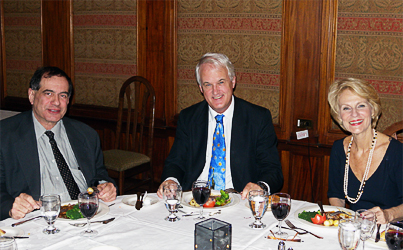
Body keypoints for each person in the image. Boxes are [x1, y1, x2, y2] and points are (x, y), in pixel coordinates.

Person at [157, 53, 283, 200]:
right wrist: (171, 180)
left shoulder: (258, 118)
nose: (215, 91)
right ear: (201, 88)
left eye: (221, 82)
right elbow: (175, 162)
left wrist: (260, 186)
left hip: (239, 199)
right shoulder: (188, 117)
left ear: (233, 81)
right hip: (195, 199)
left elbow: (273, 170)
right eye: (208, 84)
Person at [0, 67, 117, 221]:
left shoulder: (86, 134)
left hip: (86, 217)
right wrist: (10, 206)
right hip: (38, 220)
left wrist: (105, 186)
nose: (56, 102)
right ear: (32, 95)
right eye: (48, 93)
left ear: (68, 100)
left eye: (63, 95)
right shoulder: (5, 135)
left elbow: (98, 176)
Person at [327, 78, 403, 224]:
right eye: (346, 108)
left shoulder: (397, 152)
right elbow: (336, 196)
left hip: (392, 232)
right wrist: (342, 220)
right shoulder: (339, 149)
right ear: (339, 116)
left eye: (360, 106)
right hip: (354, 228)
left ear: (373, 110)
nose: (354, 114)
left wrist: (388, 214)